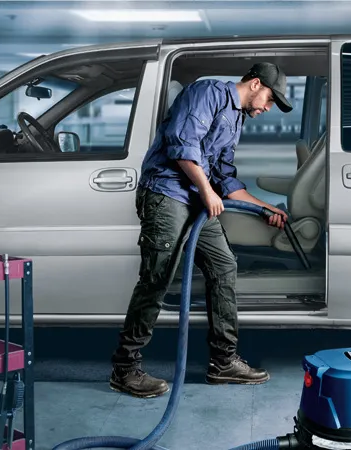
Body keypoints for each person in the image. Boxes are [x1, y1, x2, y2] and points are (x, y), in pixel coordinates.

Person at [109, 62, 294, 398]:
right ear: (255, 84)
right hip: (166, 194)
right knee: (157, 278)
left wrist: (265, 208)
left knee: (224, 267)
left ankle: (223, 362)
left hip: (197, 200)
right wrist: (207, 192)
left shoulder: (235, 119)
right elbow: (182, 143)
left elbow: (225, 178)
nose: (268, 108)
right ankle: (125, 369)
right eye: (269, 99)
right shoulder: (206, 92)